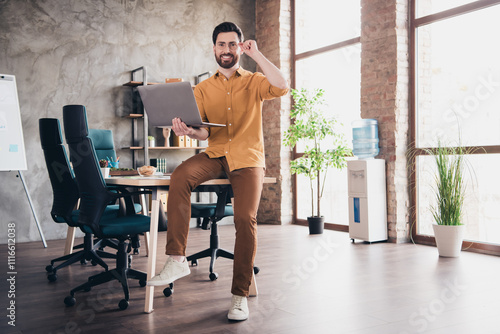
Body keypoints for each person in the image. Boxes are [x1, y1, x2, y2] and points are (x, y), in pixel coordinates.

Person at [147, 21, 289, 321]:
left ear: (240, 47)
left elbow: (282, 85)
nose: (227, 50)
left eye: (232, 44)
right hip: (215, 153)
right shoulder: (202, 88)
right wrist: (186, 130)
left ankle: (239, 296)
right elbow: (202, 133)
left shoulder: (253, 81)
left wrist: (258, 54)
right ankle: (176, 258)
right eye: (221, 44)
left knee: (244, 217)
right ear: (214, 48)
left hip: (248, 158)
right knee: (180, 176)